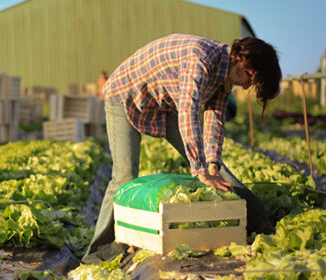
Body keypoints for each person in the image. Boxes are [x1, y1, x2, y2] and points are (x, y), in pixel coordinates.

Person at [82, 34, 282, 264]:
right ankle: (97, 255)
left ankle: (258, 221)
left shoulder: (226, 79)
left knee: (213, 169)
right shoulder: (200, 60)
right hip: (125, 95)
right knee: (124, 176)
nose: (247, 85)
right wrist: (200, 171)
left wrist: (212, 166)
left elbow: (215, 120)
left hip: (163, 103)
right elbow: (188, 113)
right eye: (251, 78)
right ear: (243, 61)